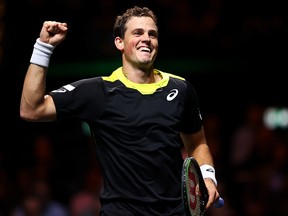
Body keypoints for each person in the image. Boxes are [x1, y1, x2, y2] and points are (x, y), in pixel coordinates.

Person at [20, 6, 220, 216]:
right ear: (119, 43)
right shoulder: (97, 92)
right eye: (137, 33)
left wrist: (208, 176)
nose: (146, 39)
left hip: (175, 212)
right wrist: (43, 47)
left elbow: (197, 142)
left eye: (152, 34)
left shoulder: (180, 89)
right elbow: (31, 109)